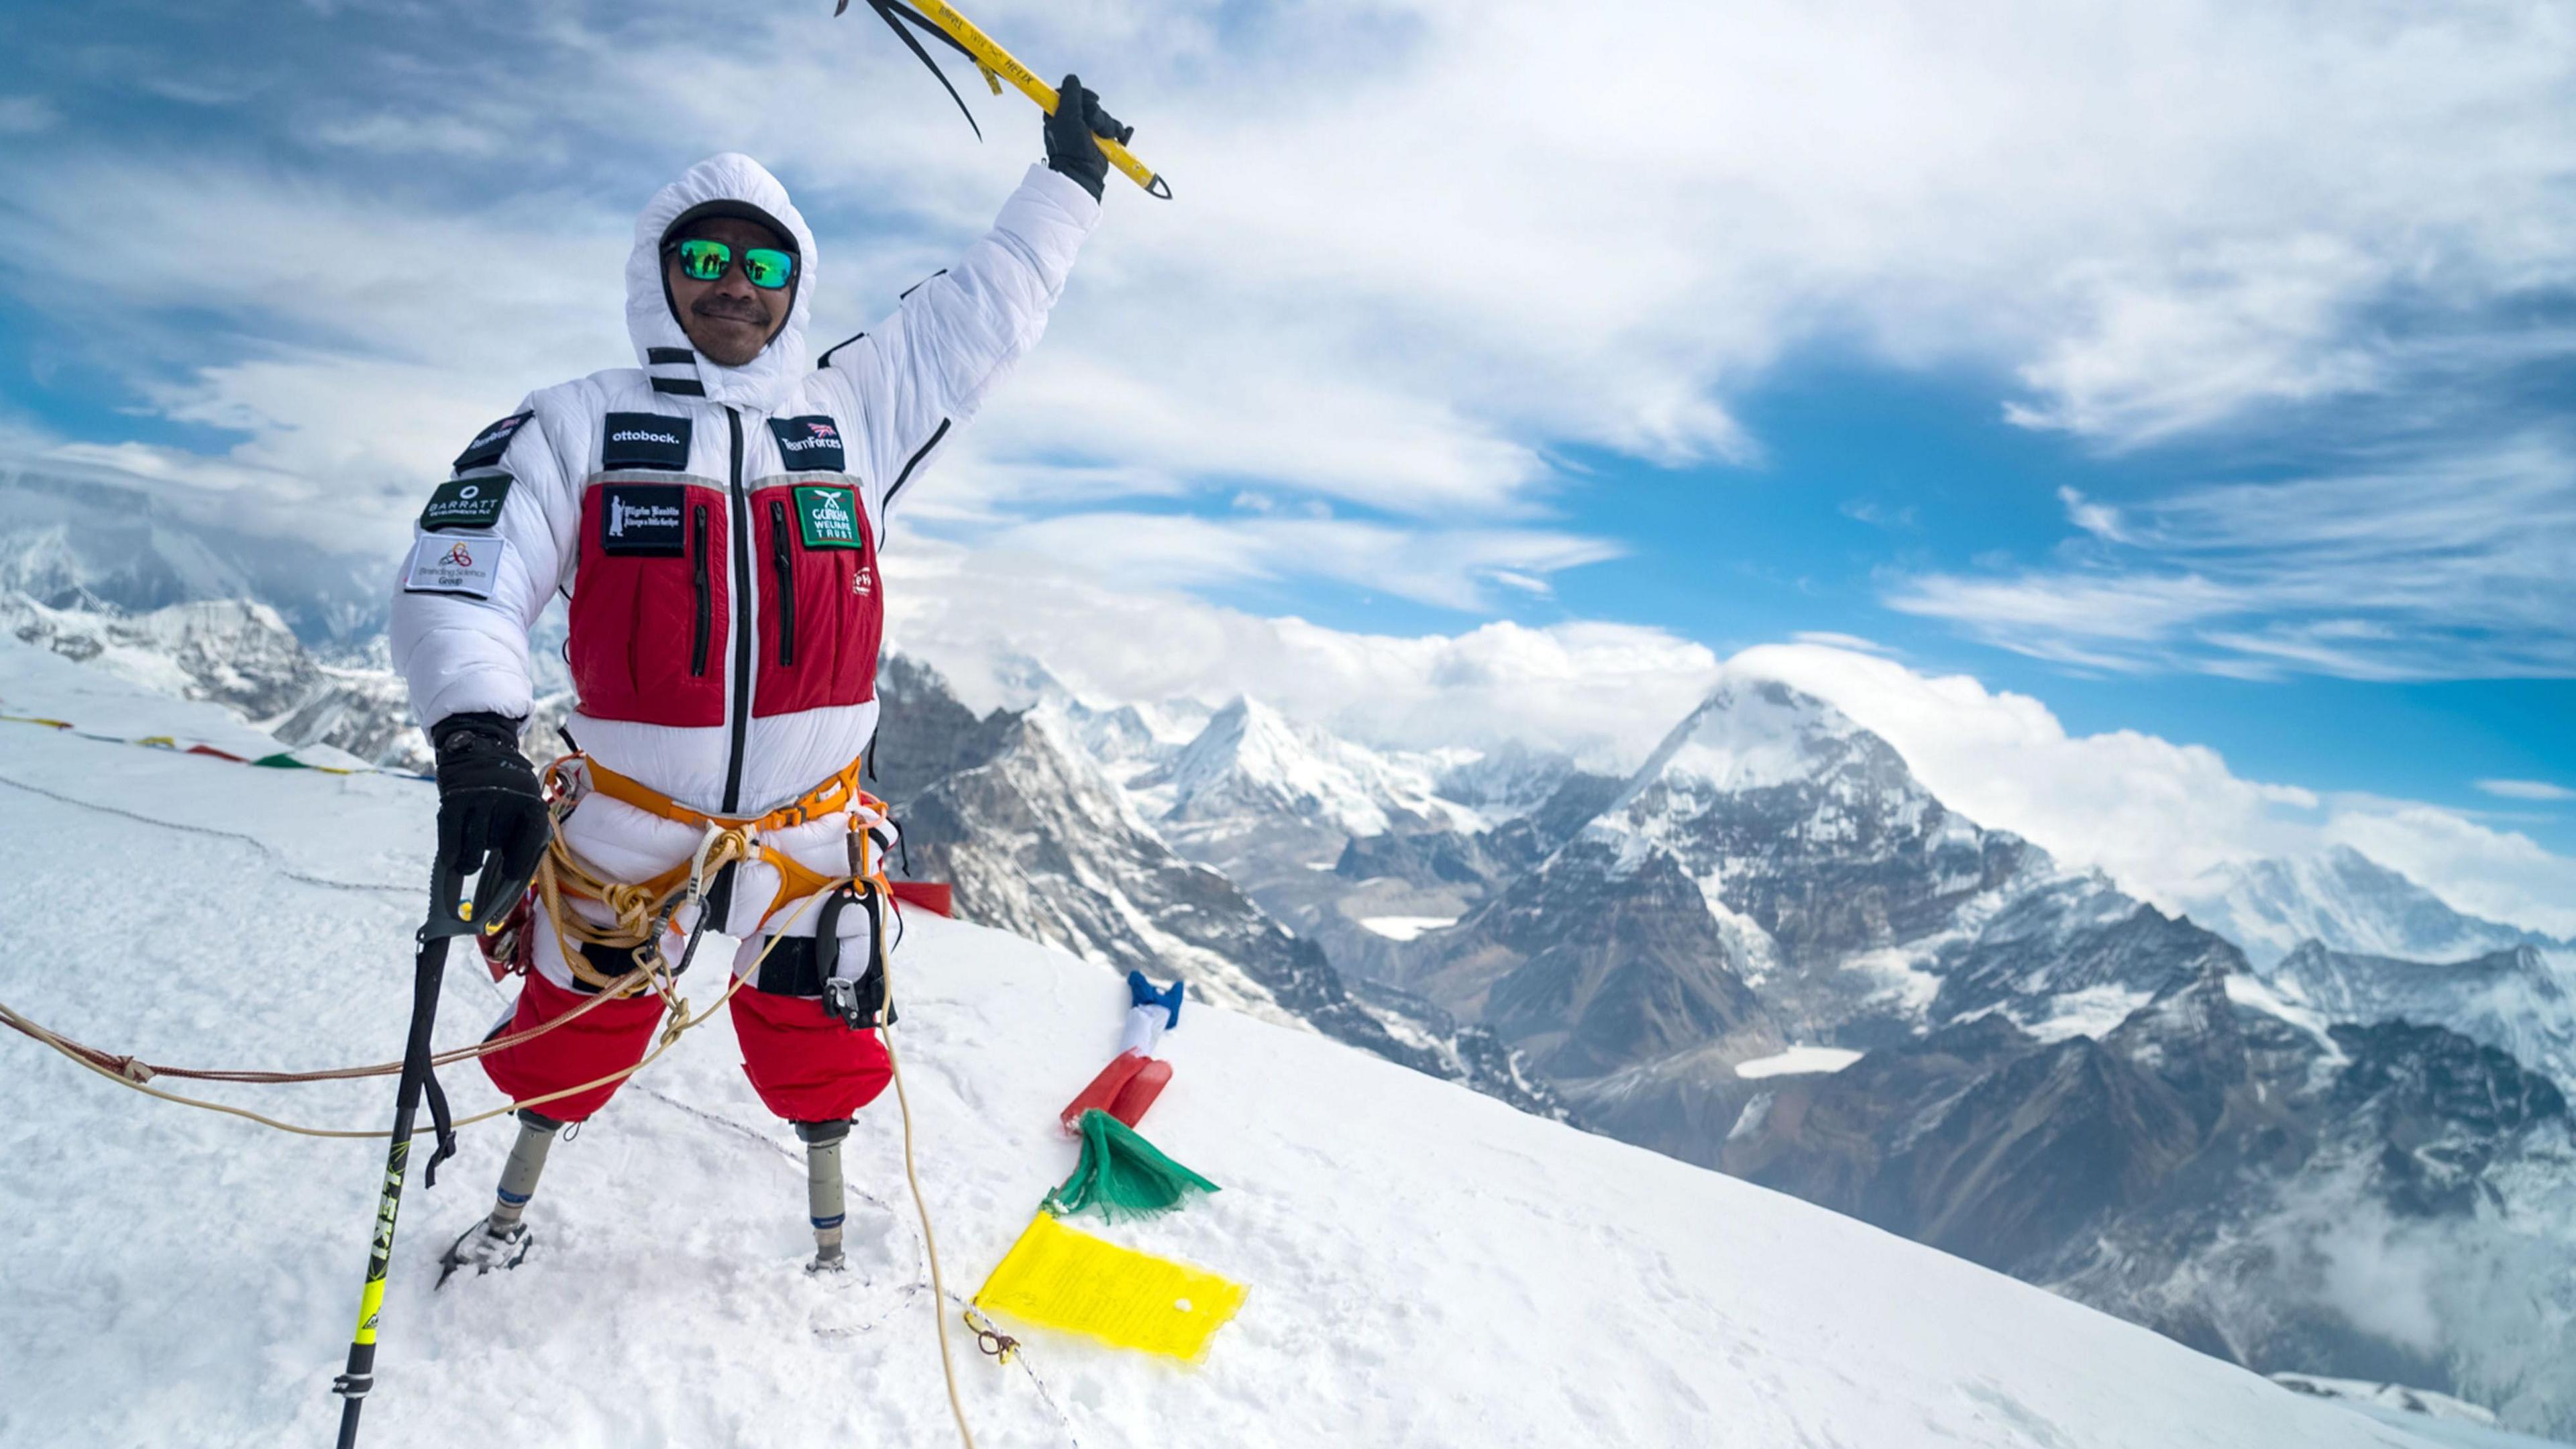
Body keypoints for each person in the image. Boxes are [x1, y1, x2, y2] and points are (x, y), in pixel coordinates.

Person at [392, 79, 1129, 1278]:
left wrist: (1069, 185)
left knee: (820, 1036)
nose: (736, 282)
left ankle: (829, 1255)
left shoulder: (852, 413)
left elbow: (979, 315)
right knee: (571, 1034)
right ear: (659, 271)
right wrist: (475, 729)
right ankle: (511, 1211)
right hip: (629, 830)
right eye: (706, 255)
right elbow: (464, 574)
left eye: (764, 264)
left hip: (814, 835)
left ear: (796, 286)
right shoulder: (572, 423)